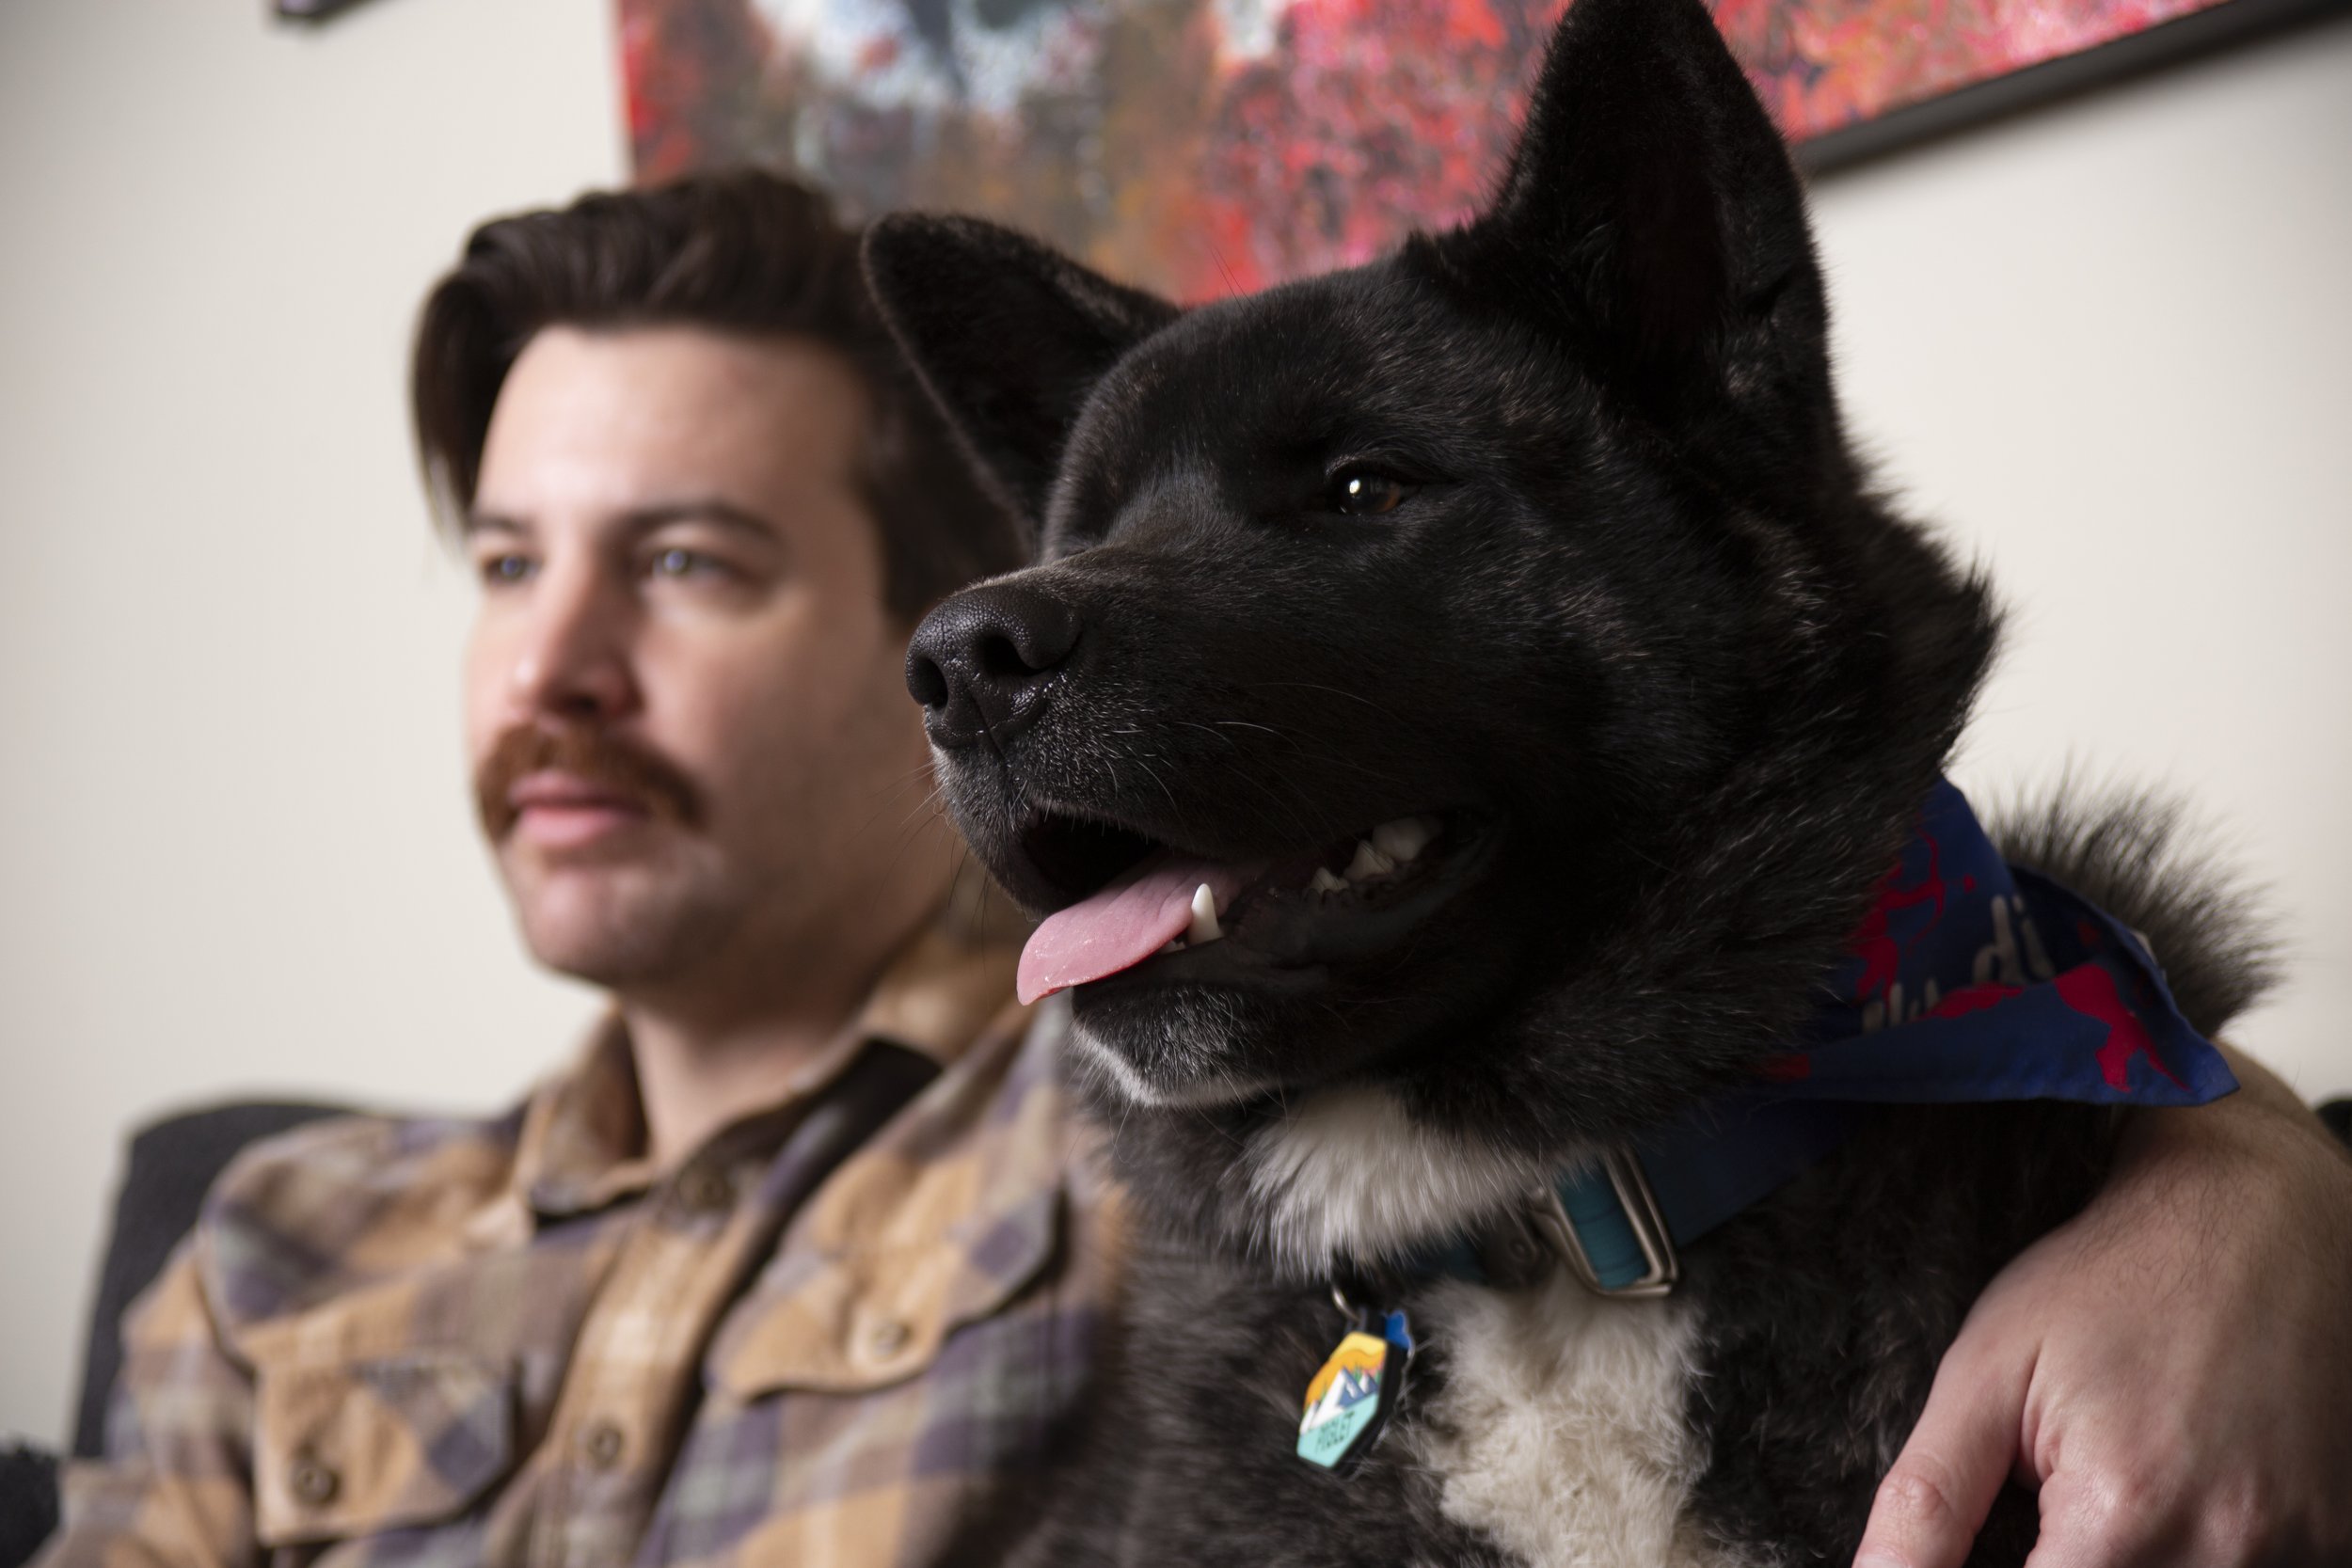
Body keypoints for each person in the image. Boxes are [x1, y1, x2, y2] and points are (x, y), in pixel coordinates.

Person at [38, 170, 2352, 1568]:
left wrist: (2247, 1182)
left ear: (908, 624)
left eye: (691, 564)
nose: (553, 664)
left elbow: (1844, 1034)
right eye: (507, 561)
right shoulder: (271, 1253)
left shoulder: (1113, 1173)